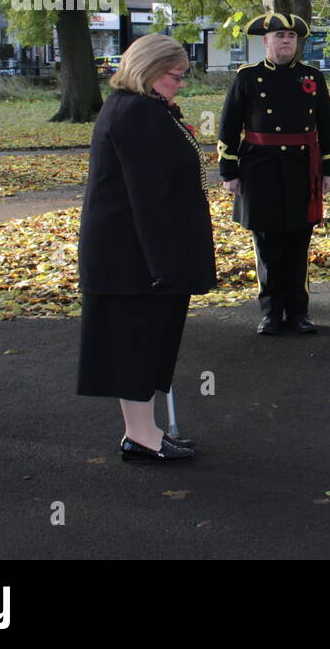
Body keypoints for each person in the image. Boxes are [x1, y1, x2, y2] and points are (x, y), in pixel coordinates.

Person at [77, 33, 216, 463]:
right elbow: (147, 197)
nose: (181, 84)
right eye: (176, 76)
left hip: (136, 253)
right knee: (134, 346)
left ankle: (144, 430)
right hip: (133, 256)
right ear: (151, 72)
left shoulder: (144, 108)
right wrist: (164, 263)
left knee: (144, 344)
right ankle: (140, 437)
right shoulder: (137, 113)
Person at [217, 11, 330, 335]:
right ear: (265, 41)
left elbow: (328, 125)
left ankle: (300, 313)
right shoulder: (247, 76)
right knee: (267, 243)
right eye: (279, 36)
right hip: (260, 168)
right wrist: (229, 170)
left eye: (291, 37)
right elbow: (228, 126)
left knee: (299, 242)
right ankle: (271, 313)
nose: (285, 41)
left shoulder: (312, 76)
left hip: (302, 167)